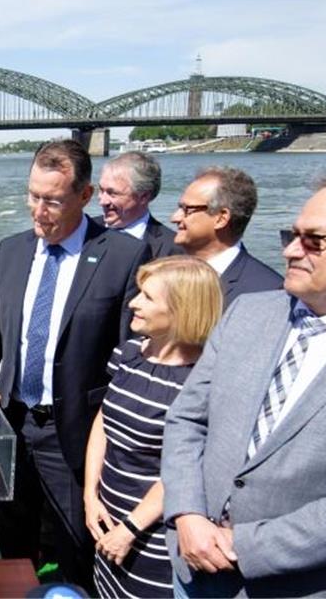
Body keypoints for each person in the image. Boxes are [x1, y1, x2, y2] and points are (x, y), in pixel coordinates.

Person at [161, 174, 326, 596]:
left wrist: (241, 545)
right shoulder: (249, 312)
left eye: (313, 240)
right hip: (192, 570)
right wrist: (187, 514)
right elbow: (187, 420)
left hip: (300, 586)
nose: (289, 251)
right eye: (291, 235)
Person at [0, 139, 150, 592]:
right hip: (11, 423)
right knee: (12, 539)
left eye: (52, 200)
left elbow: (130, 353)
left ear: (85, 196)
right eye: (32, 196)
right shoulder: (10, 251)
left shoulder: (122, 256)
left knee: (73, 551)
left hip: (76, 431)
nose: (38, 210)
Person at [83, 256, 223, 598]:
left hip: (154, 537)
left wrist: (130, 529)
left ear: (182, 310)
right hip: (109, 517)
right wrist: (90, 495)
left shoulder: (203, 381)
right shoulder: (129, 353)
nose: (133, 302)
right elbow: (104, 421)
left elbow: (186, 466)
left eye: (147, 297)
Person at [169, 166, 282, 308]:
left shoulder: (266, 291)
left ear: (221, 218)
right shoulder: (165, 273)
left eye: (187, 210)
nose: (174, 218)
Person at [97, 152, 182, 258]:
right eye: (101, 190)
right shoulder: (84, 231)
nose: (103, 201)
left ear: (144, 196)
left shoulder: (172, 249)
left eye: (113, 193)